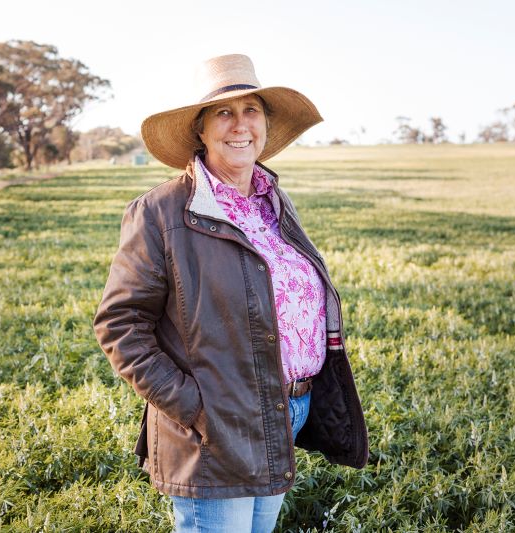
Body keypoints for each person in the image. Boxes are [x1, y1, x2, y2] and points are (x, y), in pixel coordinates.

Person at [94, 54, 368, 532]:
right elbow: (120, 326)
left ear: (265, 124)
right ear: (200, 129)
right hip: (216, 426)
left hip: (288, 411)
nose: (240, 124)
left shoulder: (272, 199)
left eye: (252, 111)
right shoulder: (161, 211)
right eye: (224, 112)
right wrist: (196, 407)